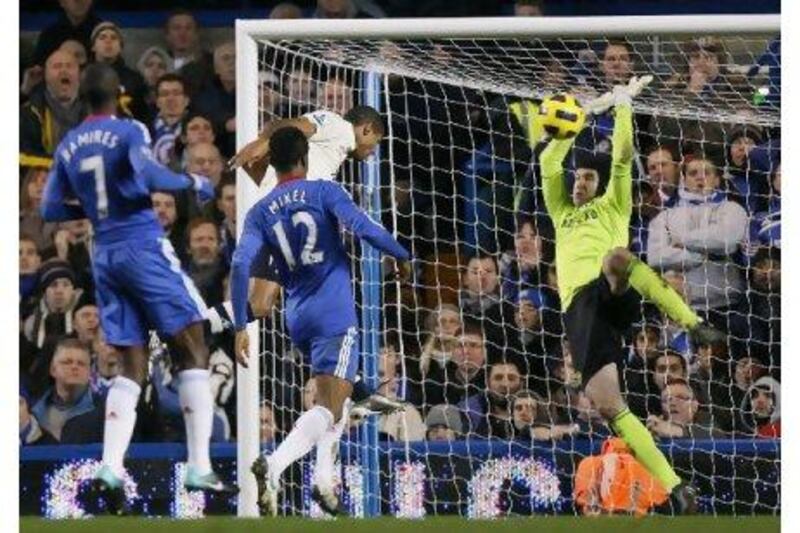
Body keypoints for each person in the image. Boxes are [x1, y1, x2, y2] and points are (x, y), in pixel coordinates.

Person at [39, 63, 234, 511]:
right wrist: (194, 182)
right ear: (120, 93)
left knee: (131, 362)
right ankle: (200, 466)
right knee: (193, 340)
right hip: (141, 245)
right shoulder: (128, 130)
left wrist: (89, 201)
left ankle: (110, 466)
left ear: (85, 98)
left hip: (103, 253)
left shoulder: (68, 144)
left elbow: (50, 207)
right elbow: (150, 176)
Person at [538, 75, 703, 513]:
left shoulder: (614, 204)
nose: (578, 183)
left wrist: (624, 105)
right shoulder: (561, 211)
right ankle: (676, 487)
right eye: (577, 178)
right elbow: (549, 164)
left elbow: (625, 158)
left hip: (609, 289)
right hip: (580, 310)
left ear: (600, 183)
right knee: (610, 406)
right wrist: (580, 116)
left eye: (588, 177)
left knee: (616, 257)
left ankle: (693, 323)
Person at [230, 126, 410, 516]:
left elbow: (241, 264)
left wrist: (241, 327)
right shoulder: (324, 191)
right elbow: (363, 228)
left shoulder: (259, 211)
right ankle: (274, 465)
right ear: (305, 159)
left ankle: (323, 481)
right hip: (334, 314)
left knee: (339, 396)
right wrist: (401, 254)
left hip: (297, 317)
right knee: (328, 407)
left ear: (273, 163)